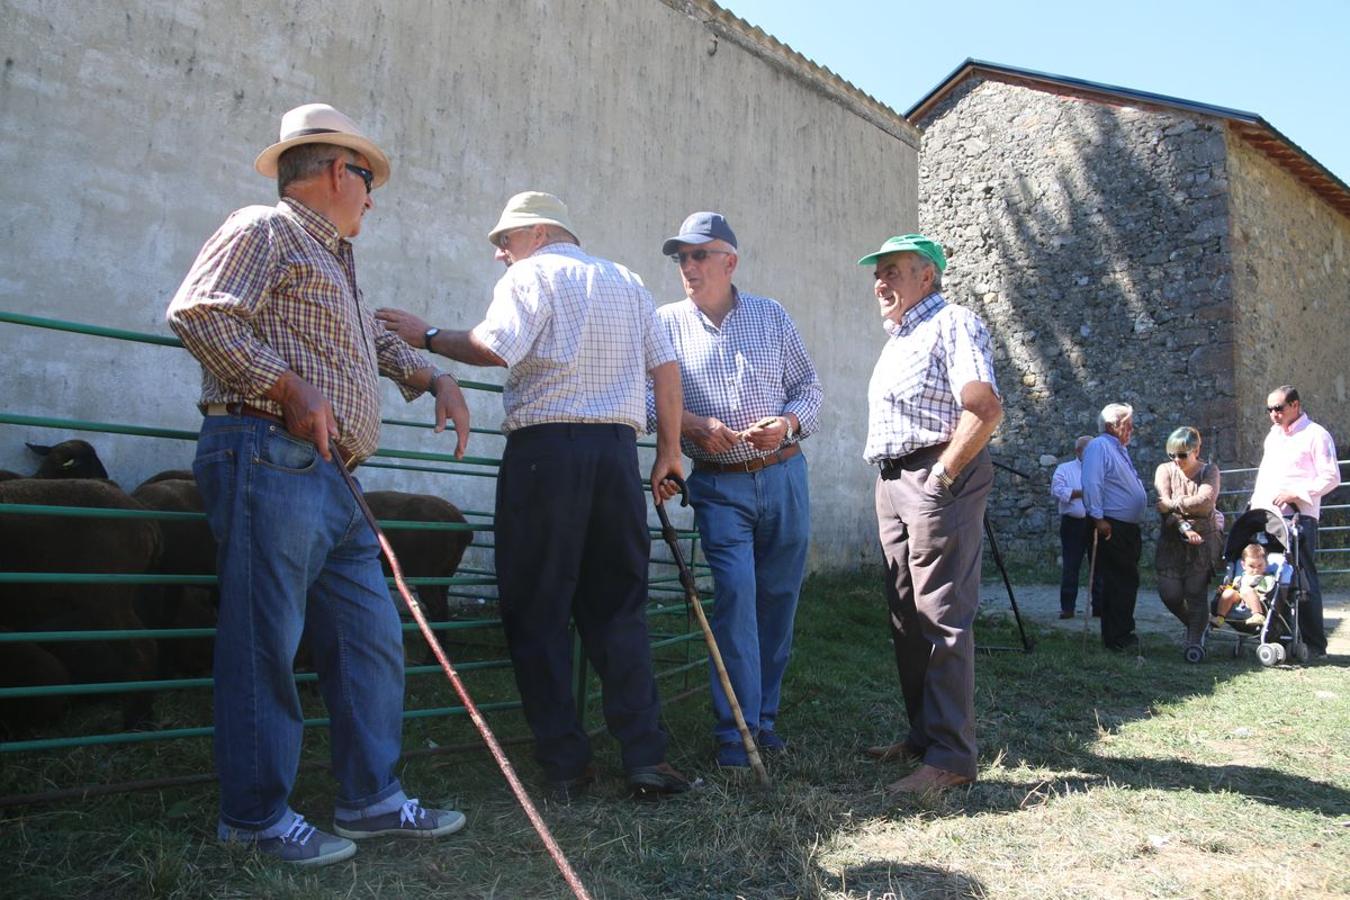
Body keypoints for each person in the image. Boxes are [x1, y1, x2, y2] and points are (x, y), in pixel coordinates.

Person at [167, 103, 471, 866]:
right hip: (269, 453)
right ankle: (255, 819)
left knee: (371, 639)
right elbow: (200, 312)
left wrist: (431, 374)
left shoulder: (333, 259)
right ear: (340, 171)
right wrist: (289, 389)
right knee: (264, 639)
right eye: (369, 180)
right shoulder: (261, 229)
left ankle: (372, 800)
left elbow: (364, 339)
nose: (372, 196)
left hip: (329, 477)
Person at [375, 191, 691, 800]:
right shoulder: (627, 281)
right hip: (615, 457)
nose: (499, 253)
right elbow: (666, 368)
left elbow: (497, 346)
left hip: (546, 454)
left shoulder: (533, 274)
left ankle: (567, 765)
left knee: (537, 609)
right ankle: (646, 756)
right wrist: (669, 451)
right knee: (618, 608)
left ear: (540, 233)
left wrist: (429, 335)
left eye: (505, 239)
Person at [649, 212, 822, 768]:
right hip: (719, 487)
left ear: (730, 262)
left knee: (778, 600)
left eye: (699, 256)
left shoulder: (771, 316)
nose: (689, 267)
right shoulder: (664, 324)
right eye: (682, 258)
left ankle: (763, 719)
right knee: (735, 600)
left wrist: (788, 424)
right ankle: (735, 731)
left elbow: (809, 387)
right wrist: (693, 426)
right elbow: (645, 399)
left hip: (784, 473)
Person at [856, 234, 1003, 794]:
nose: (881, 282)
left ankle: (950, 758)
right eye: (878, 272)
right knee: (906, 613)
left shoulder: (952, 322)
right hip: (894, 479)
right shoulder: (902, 336)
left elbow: (983, 407)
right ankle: (923, 737)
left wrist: (942, 476)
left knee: (941, 611)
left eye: (893, 270)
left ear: (927, 276)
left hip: (934, 476)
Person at [1249, 385, 1339, 658]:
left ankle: (1314, 644)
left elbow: (1331, 476)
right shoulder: (1273, 437)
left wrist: (1297, 494)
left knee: (1303, 579)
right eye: (1269, 409)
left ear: (1295, 405)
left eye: (1278, 408)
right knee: (1273, 578)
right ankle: (1279, 637)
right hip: (1267, 516)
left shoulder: (1316, 435)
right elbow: (1264, 475)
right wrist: (1254, 507)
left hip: (1298, 516)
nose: (1273, 414)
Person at [1081, 403, 1148, 651]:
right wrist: (1098, 518)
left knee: (1126, 580)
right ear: (1112, 425)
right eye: (1127, 424)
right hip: (1110, 525)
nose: (1132, 429)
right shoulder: (1099, 446)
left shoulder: (1118, 449)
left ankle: (1121, 633)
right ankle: (1118, 638)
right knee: (1118, 581)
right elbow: (1092, 482)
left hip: (1124, 526)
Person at [1152, 426, 1221, 652]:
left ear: (1196, 450)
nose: (1177, 460)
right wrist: (1183, 525)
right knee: (1170, 594)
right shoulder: (1164, 470)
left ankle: (1194, 642)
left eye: (1182, 455)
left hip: (1203, 541)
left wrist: (1174, 502)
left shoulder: (1209, 471)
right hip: (1173, 539)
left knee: (1195, 592)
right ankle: (1197, 626)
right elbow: (1162, 507)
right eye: (1172, 455)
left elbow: (1205, 502)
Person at [1050, 435, 1095, 619]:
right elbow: (1058, 491)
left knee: (1098, 566)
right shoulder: (1064, 469)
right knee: (1071, 565)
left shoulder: (1100, 469)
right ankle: (1068, 607)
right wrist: (1082, 493)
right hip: (1073, 524)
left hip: (1095, 522)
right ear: (1078, 451)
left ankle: (1099, 606)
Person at [1215, 543, 1274, 627]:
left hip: (1258, 603)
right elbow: (1235, 587)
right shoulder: (1241, 577)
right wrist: (1225, 589)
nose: (1256, 569)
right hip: (1239, 602)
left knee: (1246, 590)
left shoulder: (1267, 578)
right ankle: (1220, 618)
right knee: (1229, 593)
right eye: (1251, 566)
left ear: (1266, 564)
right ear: (1243, 565)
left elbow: (1265, 590)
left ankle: (1258, 615)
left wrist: (1251, 589)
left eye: (1260, 566)